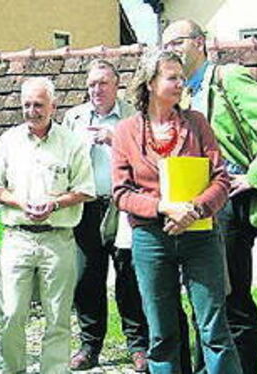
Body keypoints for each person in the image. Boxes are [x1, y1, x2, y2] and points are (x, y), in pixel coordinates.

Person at [162, 20, 257, 374]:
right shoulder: (182, 93)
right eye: (165, 43)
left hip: (228, 203)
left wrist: (254, 176)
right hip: (195, 203)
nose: (171, 48)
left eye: (177, 40)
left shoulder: (226, 77)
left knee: (232, 301)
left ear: (200, 43)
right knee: (203, 300)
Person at [111, 49, 242, 373]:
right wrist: (162, 207)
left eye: (182, 77)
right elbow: (121, 193)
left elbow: (221, 178)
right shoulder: (126, 131)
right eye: (172, 77)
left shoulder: (197, 123)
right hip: (151, 240)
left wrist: (194, 209)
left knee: (214, 328)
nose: (181, 83)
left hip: (199, 235)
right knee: (162, 333)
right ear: (150, 82)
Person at [0, 77, 95, 373]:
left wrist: (55, 204)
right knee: (10, 312)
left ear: (53, 106)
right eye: (27, 105)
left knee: (57, 316)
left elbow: (86, 189)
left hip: (59, 238)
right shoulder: (7, 141)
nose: (32, 111)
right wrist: (21, 203)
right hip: (17, 237)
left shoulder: (72, 143)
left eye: (38, 105)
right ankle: (13, 370)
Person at [62, 59, 149, 372]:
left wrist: (116, 140)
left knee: (130, 278)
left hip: (123, 206)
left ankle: (139, 346)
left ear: (116, 85)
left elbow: (150, 160)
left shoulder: (134, 116)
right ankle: (89, 346)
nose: (96, 90)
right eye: (91, 84)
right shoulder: (73, 117)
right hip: (85, 207)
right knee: (86, 279)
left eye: (103, 83)